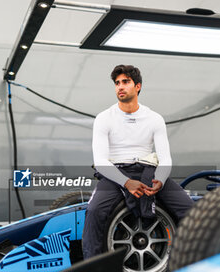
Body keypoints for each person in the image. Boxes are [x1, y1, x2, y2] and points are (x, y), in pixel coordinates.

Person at [82, 64, 193, 259]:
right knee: (94, 211)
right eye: (117, 83)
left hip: (150, 172)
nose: (120, 87)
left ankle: (194, 264)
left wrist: (159, 179)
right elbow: (100, 161)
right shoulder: (104, 118)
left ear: (138, 86)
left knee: (191, 211)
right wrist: (126, 182)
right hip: (116, 174)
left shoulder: (154, 118)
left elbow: (165, 158)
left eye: (126, 82)